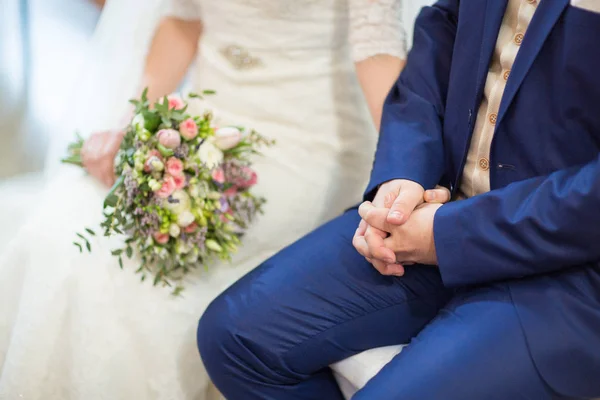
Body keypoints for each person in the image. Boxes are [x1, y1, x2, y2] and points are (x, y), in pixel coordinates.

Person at [0, 0, 436, 399]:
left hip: (306, 144)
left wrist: (406, 172)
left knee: (132, 285)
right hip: (200, 119)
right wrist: (135, 121)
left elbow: (377, 49)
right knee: (58, 234)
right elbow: (183, 21)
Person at [197, 0, 600, 399]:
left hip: (571, 268)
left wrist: (447, 234)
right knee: (234, 338)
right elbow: (444, 30)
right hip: (441, 205)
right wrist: (404, 175)